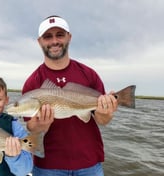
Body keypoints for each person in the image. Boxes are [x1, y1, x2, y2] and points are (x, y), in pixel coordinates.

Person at [22, 15, 118, 176]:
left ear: (69, 37)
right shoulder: (32, 82)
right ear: (40, 41)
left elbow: (102, 120)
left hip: (89, 163)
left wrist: (106, 112)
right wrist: (40, 125)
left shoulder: (88, 74)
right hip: (48, 166)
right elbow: (31, 127)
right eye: (47, 36)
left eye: (59, 35)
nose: (54, 41)